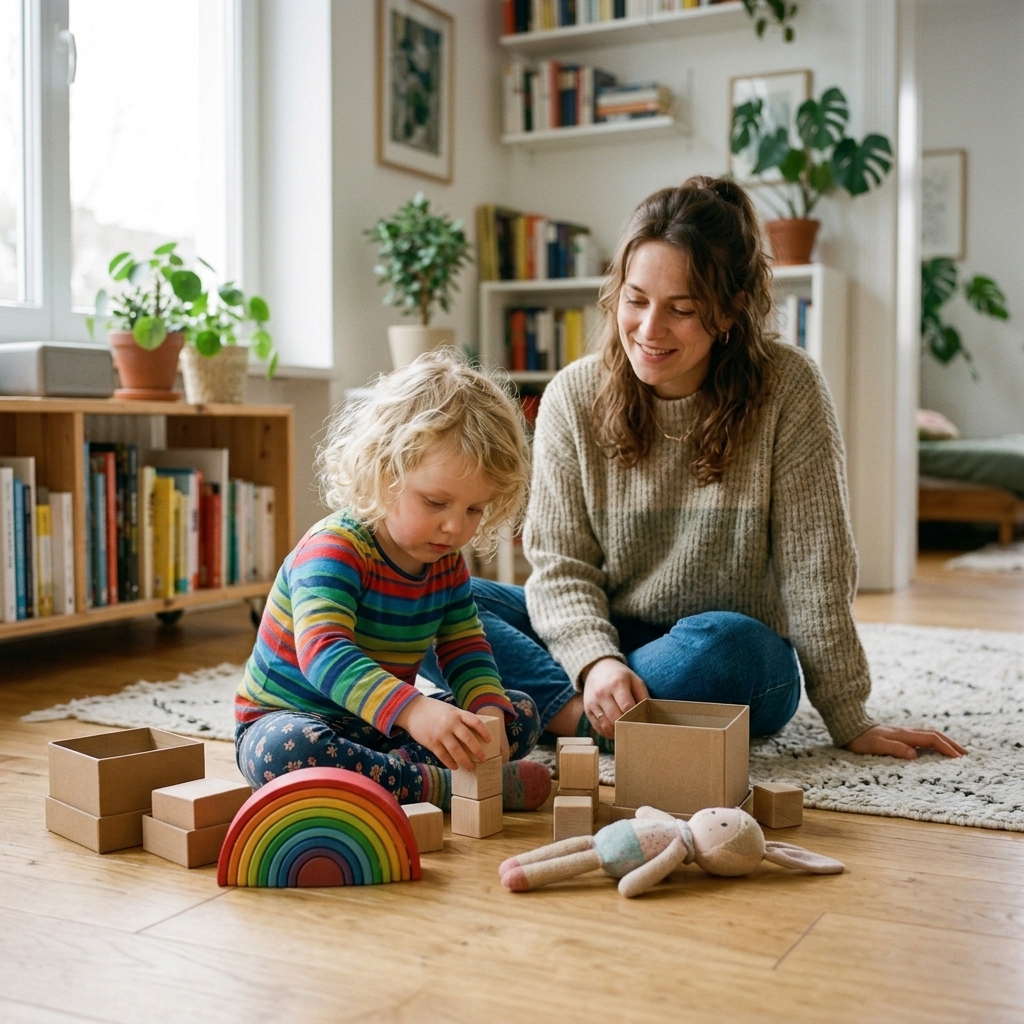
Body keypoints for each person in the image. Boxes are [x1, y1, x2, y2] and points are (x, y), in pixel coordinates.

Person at [425, 176, 966, 762]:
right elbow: (560, 567)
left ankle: (555, 709)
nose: (649, 331)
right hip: (601, 634)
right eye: (635, 301)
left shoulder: (790, 388)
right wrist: (596, 659)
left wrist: (849, 715)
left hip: (724, 654)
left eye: (681, 309)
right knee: (423, 594)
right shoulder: (572, 396)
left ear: (730, 311)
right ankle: (589, 715)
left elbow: (817, 568)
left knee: (729, 646)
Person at [235, 351, 552, 811]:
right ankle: (440, 787)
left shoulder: (446, 562)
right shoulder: (334, 550)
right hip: (290, 720)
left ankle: (392, 777)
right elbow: (324, 654)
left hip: (380, 730)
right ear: (385, 473)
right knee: (286, 751)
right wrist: (415, 709)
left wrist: (485, 711)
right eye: (436, 502)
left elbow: (464, 647)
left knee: (517, 712)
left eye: (473, 510)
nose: (454, 528)